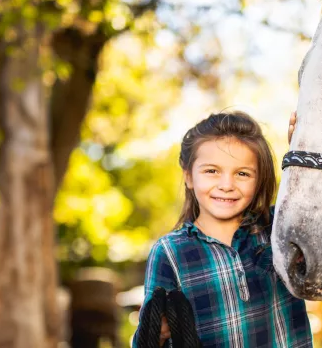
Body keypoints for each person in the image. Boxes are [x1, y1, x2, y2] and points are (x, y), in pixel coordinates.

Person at [132, 111, 311, 348]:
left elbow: (316, 202)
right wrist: (158, 335)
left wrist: (303, 149)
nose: (226, 185)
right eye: (211, 171)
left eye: (242, 174)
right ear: (189, 177)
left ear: (259, 181)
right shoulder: (169, 252)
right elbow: (147, 337)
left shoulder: (277, 228)